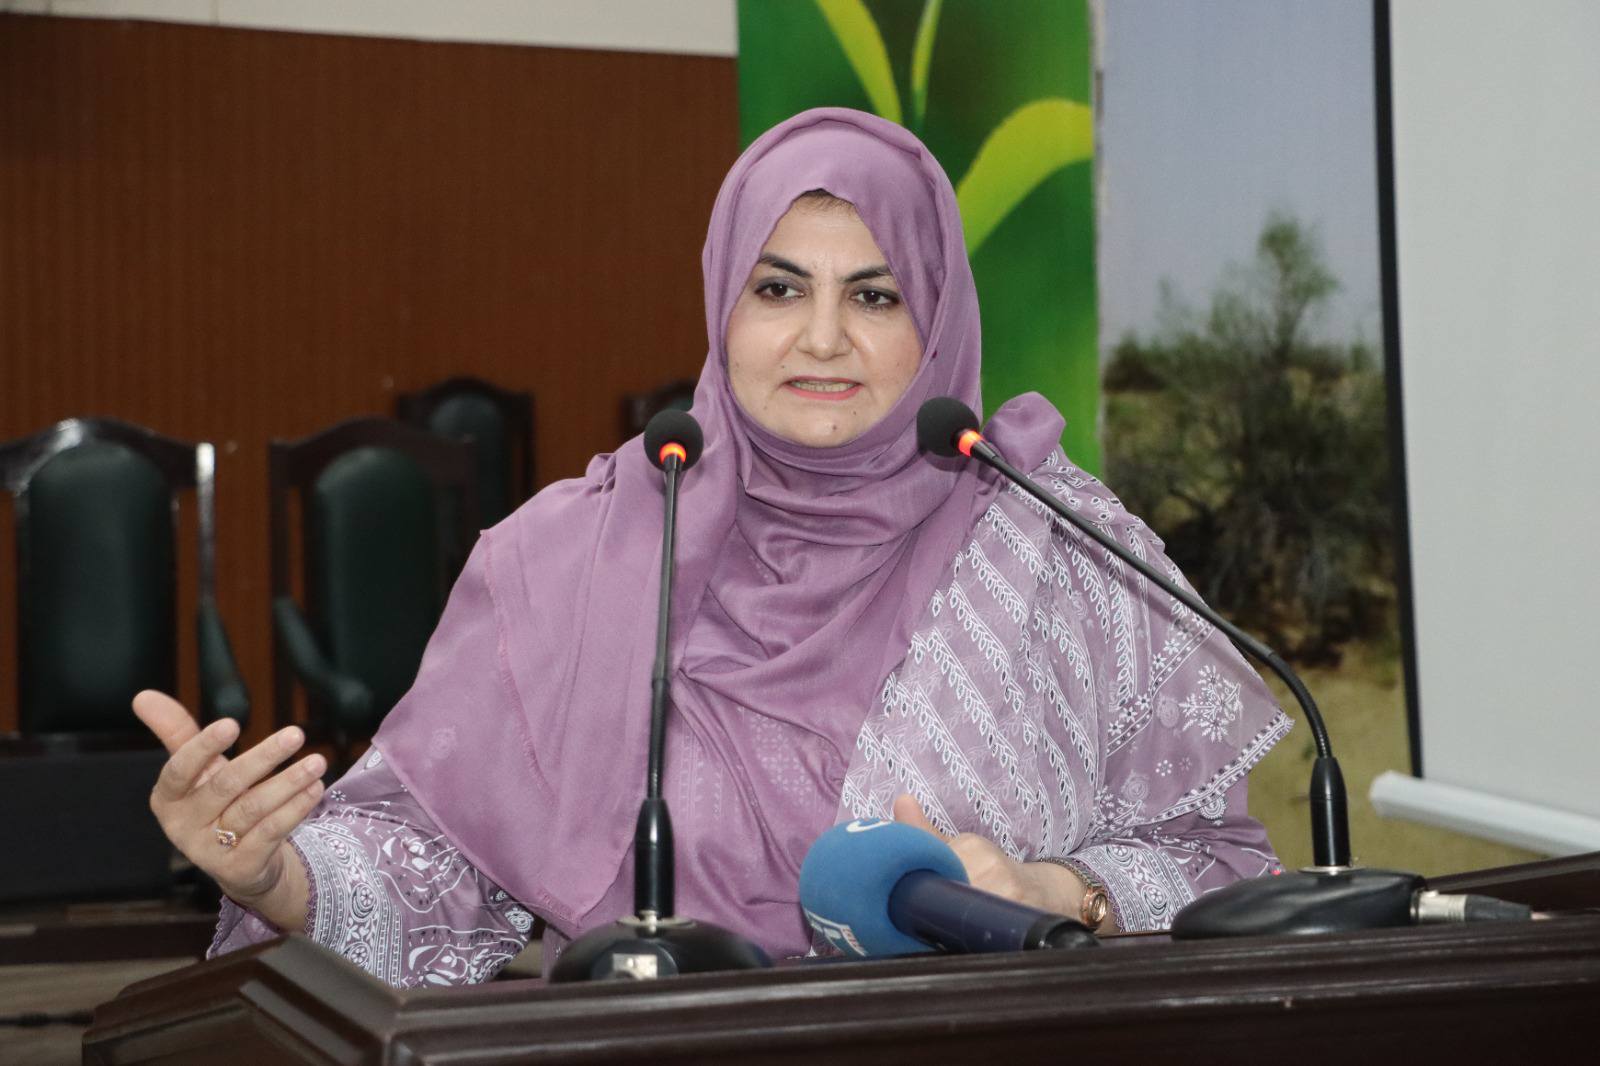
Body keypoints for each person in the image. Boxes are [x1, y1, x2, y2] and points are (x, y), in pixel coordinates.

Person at [134, 108, 1290, 987]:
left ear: (938, 318)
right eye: (778, 288)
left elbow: (1219, 864)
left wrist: (1058, 890)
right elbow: (431, 871)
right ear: (721, 309)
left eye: (876, 296)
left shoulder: (1056, 547)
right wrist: (271, 873)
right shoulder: (571, 559)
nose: (823, 338)